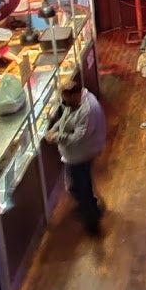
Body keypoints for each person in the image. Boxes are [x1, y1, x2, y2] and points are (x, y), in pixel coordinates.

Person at [45, 77, 107, 235]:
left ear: (77, 95)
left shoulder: (87, 110)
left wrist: (57, 137)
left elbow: (80, 136)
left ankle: (92, 223)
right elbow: (65, 116)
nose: (65, 103)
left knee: (80, 187)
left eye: (67, 100)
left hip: (82, 153)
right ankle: (91, 207)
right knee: (76, 186)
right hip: (73, 155)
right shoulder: (73, 103)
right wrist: (55, 128)